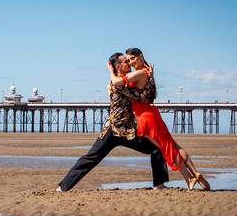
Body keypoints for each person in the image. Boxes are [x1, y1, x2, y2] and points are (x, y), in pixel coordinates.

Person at [56, 53, 169, 192]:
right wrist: (113, 71)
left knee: (156, 148)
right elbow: (139, 96)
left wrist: (149, 76)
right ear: (118, 66)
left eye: (128, 60)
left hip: (128, 131)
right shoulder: (118, 85)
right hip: (113, 130)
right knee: (92, 157)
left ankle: (159, 184)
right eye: (125, 61)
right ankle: (63, 187)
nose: (129, 63)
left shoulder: (123, 81)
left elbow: (143, 91)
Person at [106, 48, 210, 190]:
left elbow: (117, 82)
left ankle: (190, 178)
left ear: (140, 56)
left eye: (132, 58)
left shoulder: (139, 73)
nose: (130, 62)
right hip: (151, 113)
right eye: (128, 60)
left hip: (146, 117)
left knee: (168, 149)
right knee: (173, 146)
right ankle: (193, 174)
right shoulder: (147, 71)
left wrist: (111, 70)